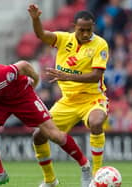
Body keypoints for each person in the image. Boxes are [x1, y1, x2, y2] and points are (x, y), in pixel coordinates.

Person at [28, 3, 109, 186]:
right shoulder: (64, 39)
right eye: (82, 30)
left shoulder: (100, 44)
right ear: (74, 27)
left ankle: (96, 176)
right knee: (38, 136)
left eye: (89, 30)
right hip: (68, 101)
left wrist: (66, 76)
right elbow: (41, 35)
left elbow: (96, 76)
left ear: (93, 27)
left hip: (92, 99)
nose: (86, 34)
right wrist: (36, 19)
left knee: (96, 122)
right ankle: (50, 180)